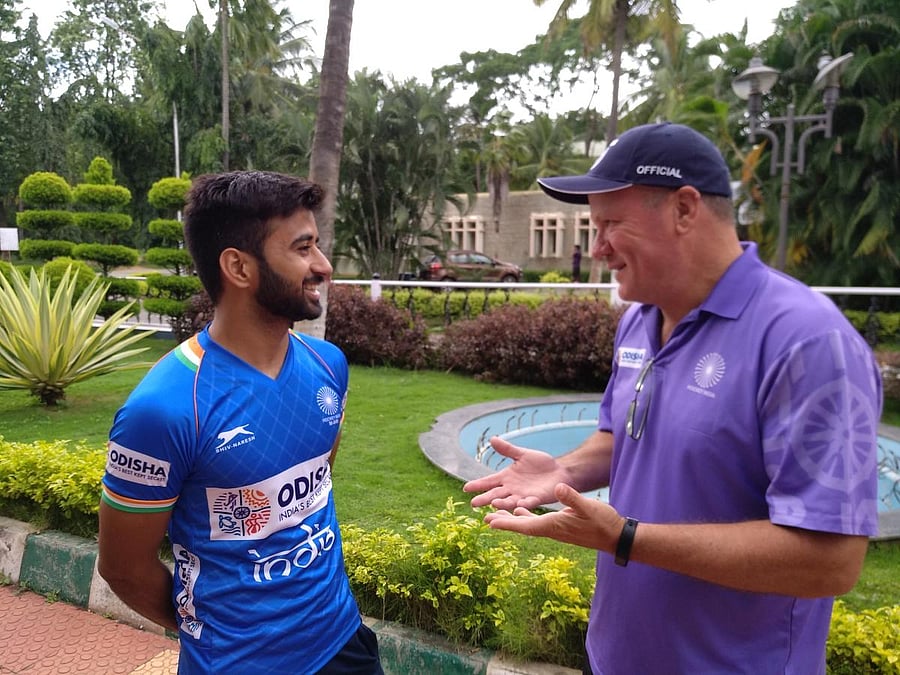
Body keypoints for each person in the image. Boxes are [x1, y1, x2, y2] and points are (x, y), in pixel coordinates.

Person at [463, 122, 882, 675]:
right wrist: (563, 470)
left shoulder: (806, 340)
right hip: (612, 657)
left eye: (612, 223)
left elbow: (830, 562)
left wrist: (626, 538)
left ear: (685, 209)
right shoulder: (639, 321)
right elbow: (623, 437)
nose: (597, 247)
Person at [97, 171, 383, 675]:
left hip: (343, 640)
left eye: (317, 245)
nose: (323, 266)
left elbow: (314, 485)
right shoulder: (164, 408)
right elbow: (123, 568)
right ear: (239, 267)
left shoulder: (328, 365)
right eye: (302, 249)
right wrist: (218, 631)